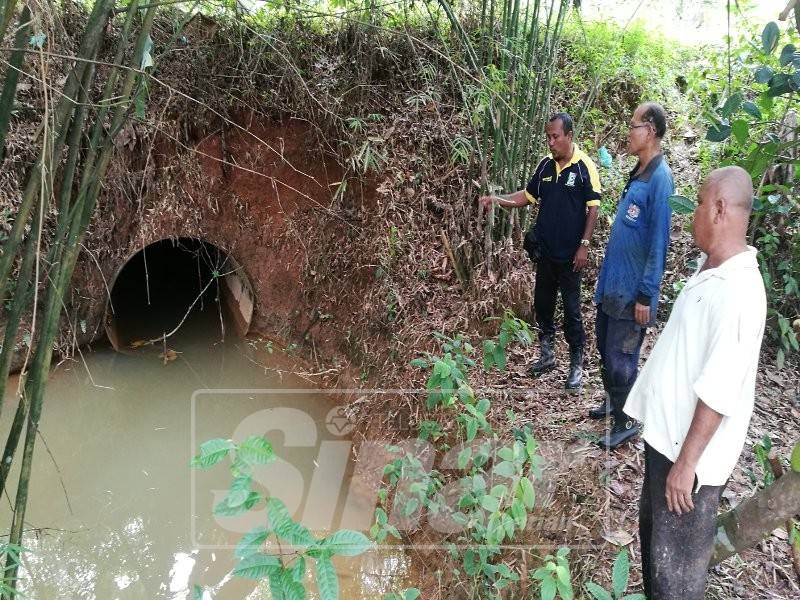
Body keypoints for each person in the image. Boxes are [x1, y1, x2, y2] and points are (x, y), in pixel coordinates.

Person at [624, 166, 766, 599]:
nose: (693, 215)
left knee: (677, 578)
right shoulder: (713, 271)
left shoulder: (740, 291)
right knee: (656, 554)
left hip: (688, 464)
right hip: (667, 445)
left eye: (700, 204)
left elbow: (721, 388)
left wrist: (686, 465)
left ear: (720, 209)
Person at [479, 113, 601, 390]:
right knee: (543, 306)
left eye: (555, 136)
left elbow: (593, 207)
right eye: (548, 137)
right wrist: (498, 199)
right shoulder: (545, 166)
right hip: (546, 252)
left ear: (569, 135)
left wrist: (584, 245)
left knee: (571, 311)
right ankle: (547, 355)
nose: (551, 142)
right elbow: (527, 196)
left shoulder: (584, 167)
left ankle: (576, 365)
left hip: (571, 256)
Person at [590, 102, 673, 449]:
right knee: (604, 348)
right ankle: (614, 400)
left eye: (633, 126)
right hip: (613, 288)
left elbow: (659, 243)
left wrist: (646, 295)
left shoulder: (660, 179)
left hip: (632, 296)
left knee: (621, 357)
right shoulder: (638, 173)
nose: (628, 132)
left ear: (650, 130)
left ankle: (627, 420)